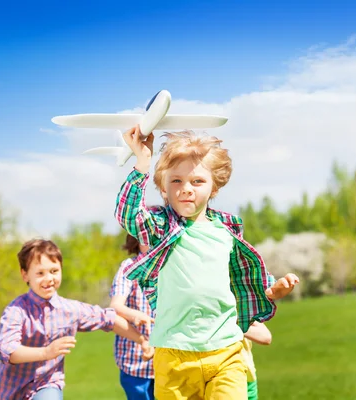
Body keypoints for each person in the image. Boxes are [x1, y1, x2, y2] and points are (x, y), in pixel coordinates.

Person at [115, 126, 299, 399]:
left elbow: (241, 275)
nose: (185, 189)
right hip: (174, 356)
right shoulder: (161, 229)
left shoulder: (226, 231)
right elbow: (129, 216)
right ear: (163, 187)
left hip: (226, 351)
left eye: (197, 181)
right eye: (176, 181)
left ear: (215, 186)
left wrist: (273, 289)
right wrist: (142, 162)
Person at [0, 239, 153, 400]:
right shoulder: (16, 311)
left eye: (54, 271)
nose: (49, 278)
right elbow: (8, 350)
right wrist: (46, 352)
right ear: (25, 274)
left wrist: (142, 340)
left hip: (47, 384)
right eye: (40, 273)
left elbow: (109, 319)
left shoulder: (70, 310)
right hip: (9, 391)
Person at [110, 234, 155, 400]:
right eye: (146, 236)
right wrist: (133, 313)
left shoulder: (172, 267)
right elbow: (115, 307)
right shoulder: (130, 267)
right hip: (135, 362)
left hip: (168, 361)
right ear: (136, 239)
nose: (153, 240)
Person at [242, 321, 272, 400]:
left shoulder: (238, 310)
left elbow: (265, 337)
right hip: (213, 375)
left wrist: (230, 325)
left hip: (246, 378)